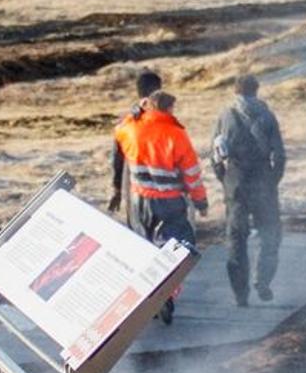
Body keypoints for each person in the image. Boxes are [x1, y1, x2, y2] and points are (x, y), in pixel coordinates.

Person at [108, 71, 210, 316]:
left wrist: (116, 191)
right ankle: (165, 294)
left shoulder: (129, 126)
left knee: (144, 247)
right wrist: (201, 201)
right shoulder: (175, 133)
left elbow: (118, 145)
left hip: (138, 199)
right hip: (169, 201)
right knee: (179, 248)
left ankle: (150, 297)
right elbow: (192, 173)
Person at [206, 73, 288, 307]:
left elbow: (214, 155)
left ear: (235, 91)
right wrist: (273, 180)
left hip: (236, 181)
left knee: (236, 239)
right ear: (256, 90)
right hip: (263, 180)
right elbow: (279, 155)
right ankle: (262, 282)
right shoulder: (267, 116)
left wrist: (225, 179)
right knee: (270, 235)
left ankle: (240, 295)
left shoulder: (225, 115)